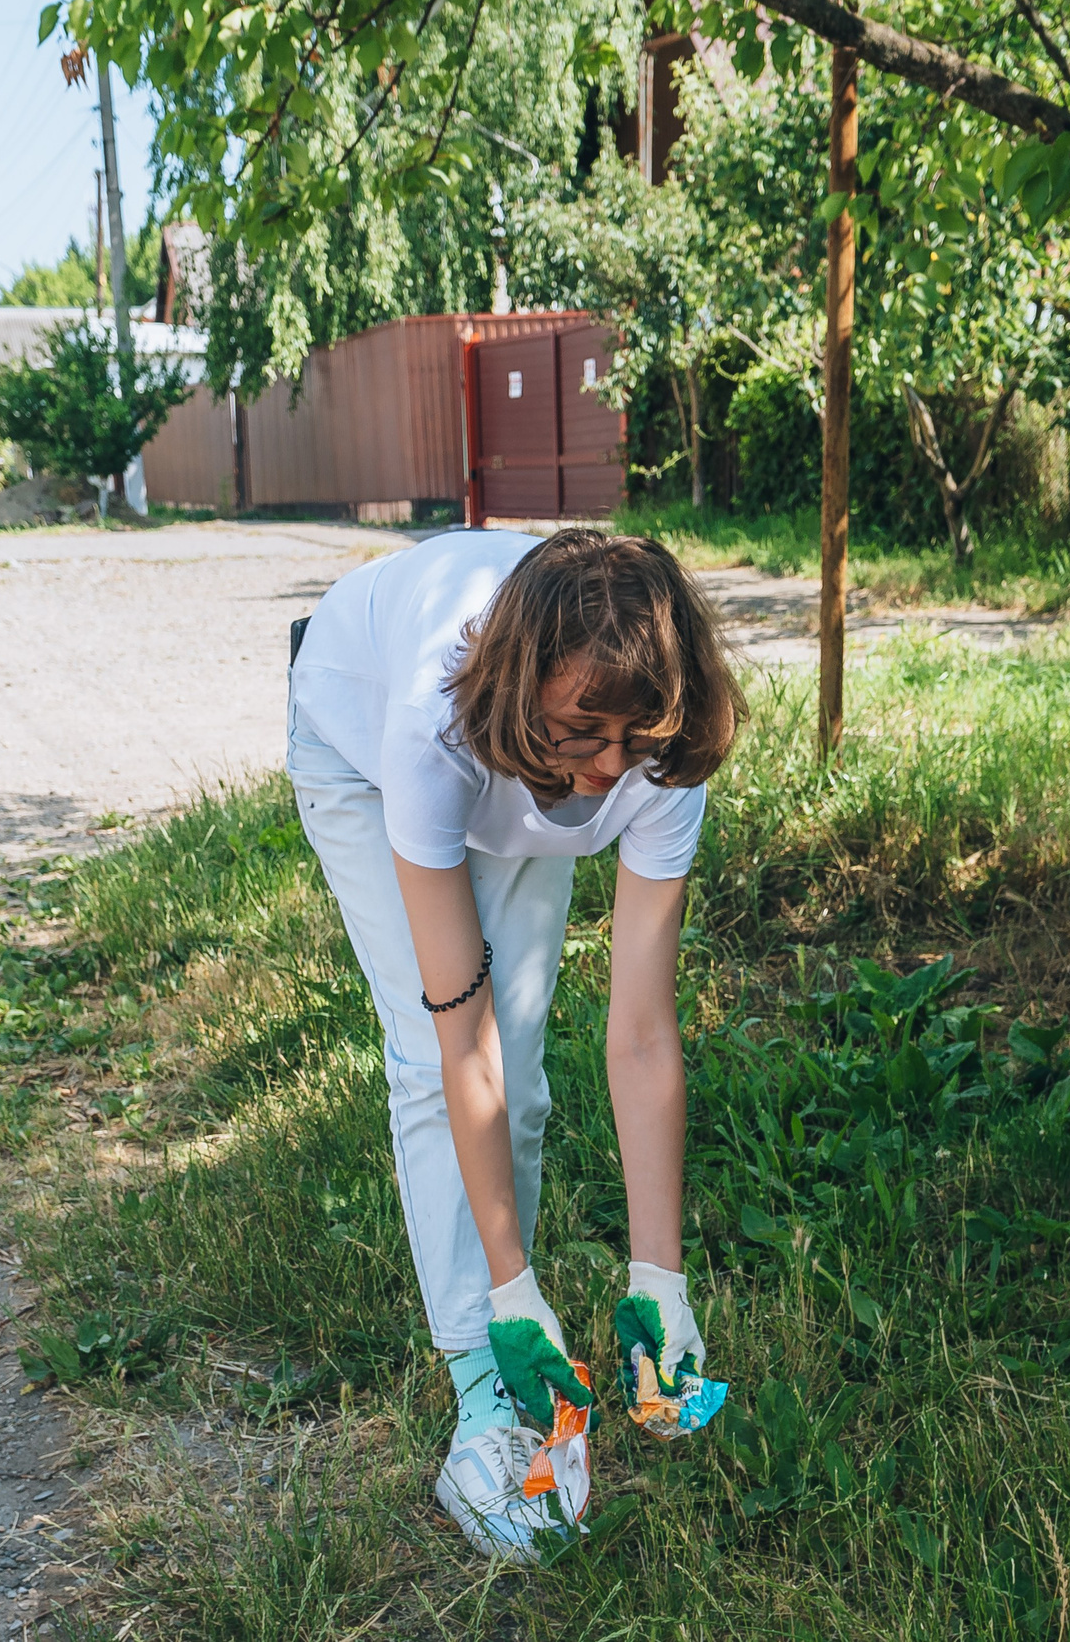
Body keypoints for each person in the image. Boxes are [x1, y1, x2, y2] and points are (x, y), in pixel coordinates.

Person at [286, 525, 745, 1561]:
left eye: (635, 741)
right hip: (355, 747)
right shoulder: (428, 733)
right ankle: (484, 1397)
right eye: (585, 736)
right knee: (427, 1050)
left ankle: (531, 1326)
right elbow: (462, 1038)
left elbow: (639, 1030)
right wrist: (509, 1287)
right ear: (527, 693)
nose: (607, 777)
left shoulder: (644, 749)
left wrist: (657, 1278)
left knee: (526, 1074)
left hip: (508, 761)